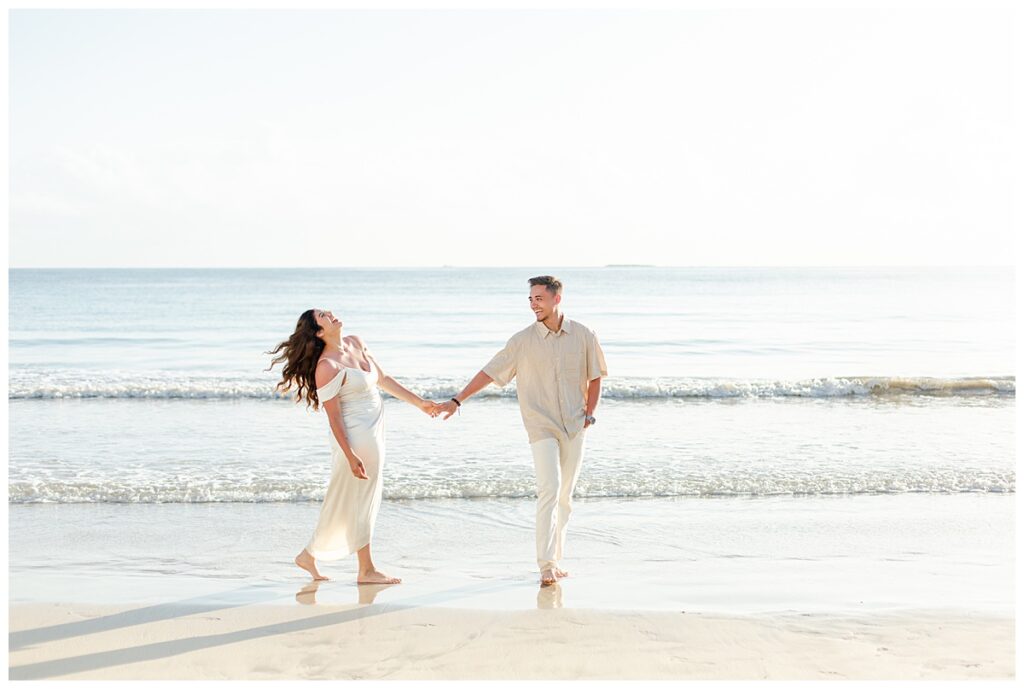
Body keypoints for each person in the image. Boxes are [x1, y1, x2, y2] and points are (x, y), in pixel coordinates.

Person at [436, 276, 607, 586]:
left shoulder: (584, 335)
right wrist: (457, 400)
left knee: (565, 497)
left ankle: (556, 559)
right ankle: (546, 565)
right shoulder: (522, 341)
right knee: (549, 489)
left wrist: (590, 415)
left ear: (557, 298)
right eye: (530, 299)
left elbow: (595, 377)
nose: (533, 305)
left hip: (575, 424)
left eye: (539, 298)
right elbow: (489, 372)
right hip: (540, 425)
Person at [268, 308, 442, 583]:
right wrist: (349, 455)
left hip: (374, 429)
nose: (330, 313)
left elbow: (383, 380)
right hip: (356, 437)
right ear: (319, 332)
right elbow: (334, 418)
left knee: (350, 499)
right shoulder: (327, 367)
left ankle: (310, 555)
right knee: (361, 499)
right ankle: (365, 570)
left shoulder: (356, 342)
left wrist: (419, 403)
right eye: (323, 316)